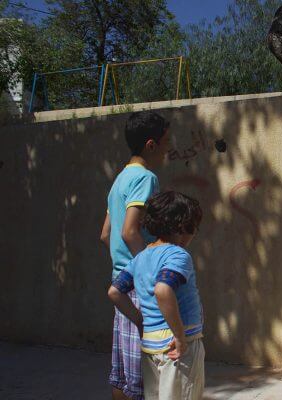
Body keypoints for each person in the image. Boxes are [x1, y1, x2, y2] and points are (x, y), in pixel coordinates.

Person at [100, 111, 171, 399]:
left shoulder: (119, 179)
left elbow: (106, 234)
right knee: (144, 377)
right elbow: (130, 231)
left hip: (122, 283)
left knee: (123, 375)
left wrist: (125, 271)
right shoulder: (145, 178)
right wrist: (148, 272)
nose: (170, 148)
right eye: (167, 142)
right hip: (138, 288)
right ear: (151, 145)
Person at [108, 191, 205, 400]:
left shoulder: (141, 256)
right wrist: (179, 337)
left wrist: (140, 321)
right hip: (178, 346)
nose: (194, 234)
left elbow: (115, 292)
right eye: (194, 227)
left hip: (150, 344)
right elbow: (163, 289)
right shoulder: (178, 255)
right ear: (182, 226)